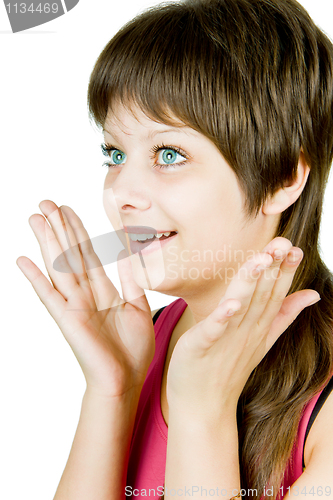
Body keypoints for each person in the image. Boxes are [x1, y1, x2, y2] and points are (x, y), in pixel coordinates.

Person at [16, 0, 333, 499]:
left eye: (169, 154)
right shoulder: (144, 341)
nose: (120, 191)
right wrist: (112, 391)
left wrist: (202, 414)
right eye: (115, 154)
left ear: (283, 177)